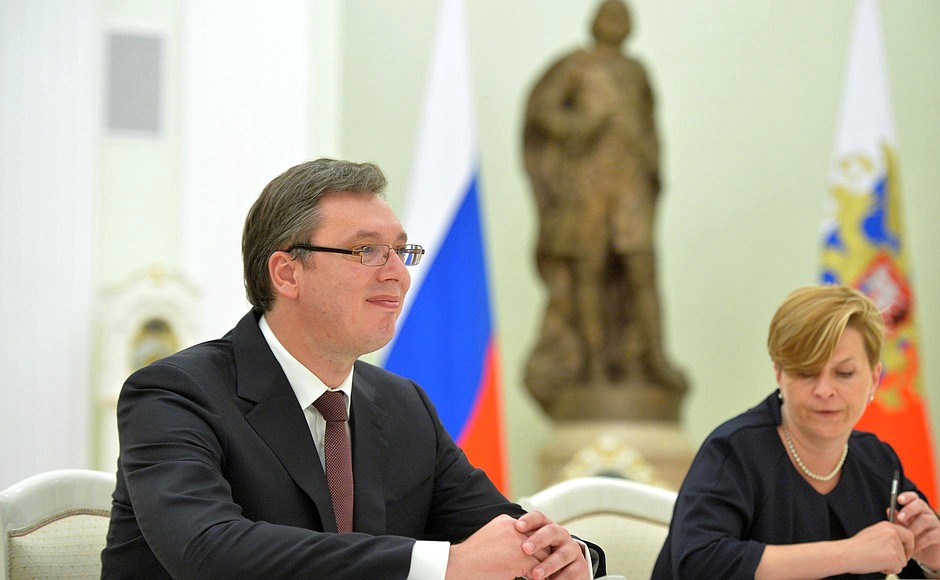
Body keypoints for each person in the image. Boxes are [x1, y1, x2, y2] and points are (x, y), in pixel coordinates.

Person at [101, 158, 605, 579]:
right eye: (367, 251)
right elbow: (208, 550)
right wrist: (444, 564)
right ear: (287, 273)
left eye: (401, 251)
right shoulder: (174, 394)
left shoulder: (403, 405)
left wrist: (568, 555)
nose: (399, 274)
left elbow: (500, 530)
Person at [653, 286, 940, 579]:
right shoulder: (734, 451)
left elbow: (915, 564)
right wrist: (849, 554)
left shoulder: (878, 462)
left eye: (844, 373)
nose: (824, 390)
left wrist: (933, 561)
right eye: (806, 372)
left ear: (875, 379)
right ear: (779, 373)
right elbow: (699, 564)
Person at [523, 0, 685, 419]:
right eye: (608, 16)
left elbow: (649, 126)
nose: (615, 23)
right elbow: (543, 113)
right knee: (589, 271)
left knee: (640, 269)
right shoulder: (576, 66)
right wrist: (581, 127)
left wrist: (651, 167)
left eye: (623, 17)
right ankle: (592, 363)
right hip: (587, 186)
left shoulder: (636, 72)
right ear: (593, 22)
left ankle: (651, 357)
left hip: (630, 186)